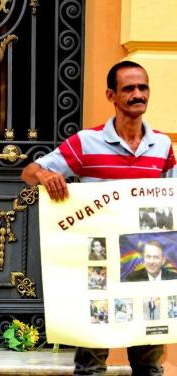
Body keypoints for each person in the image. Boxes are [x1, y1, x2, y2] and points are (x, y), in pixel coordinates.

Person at [21, 60, 176, 375]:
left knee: (149, 364)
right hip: (99, 265)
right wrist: (46, 174)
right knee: (90, 364)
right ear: (111, 95)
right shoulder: (85, 143)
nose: (137, 94)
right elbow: (28, 172)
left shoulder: (162, 146)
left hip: (147, 264)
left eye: (143, 87)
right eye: (128, 88)